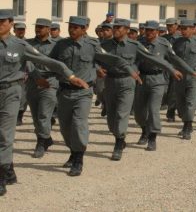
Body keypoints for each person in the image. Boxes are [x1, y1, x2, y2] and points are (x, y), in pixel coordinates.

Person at [0, 9, 87, 196]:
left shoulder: (19, 45)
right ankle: (9, 169)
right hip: (23, 87)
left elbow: (49, 61)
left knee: (5, 134)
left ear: (10, 23)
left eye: (1, 22)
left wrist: (70, 76)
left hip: (11, 92)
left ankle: (2, 176)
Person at [49, 16, 142, 176]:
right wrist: (38, 76)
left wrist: (130, 71)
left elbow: (112, 59)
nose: (72, 29)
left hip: (84, 93)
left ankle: (79, 159)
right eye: (71, 26)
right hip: (64, 91)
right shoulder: (60, 45)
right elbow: (50, 63)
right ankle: (73, 152)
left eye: (76, 27)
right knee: (65, 128)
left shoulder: (93, 45)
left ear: (84, 29)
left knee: (79, 124)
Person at [100, 18, 183, 160]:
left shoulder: (157, 44)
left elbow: (159, 59)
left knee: (151, 110)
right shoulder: (113, 44)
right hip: (135, 80)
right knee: (134, 114)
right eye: (115, 27)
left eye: (119, 27)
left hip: (153, 80)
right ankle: (143, 130)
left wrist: (172, 69)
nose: (116, 30)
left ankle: (150, 137)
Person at [134, 20, 196, 150]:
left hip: (158, 80)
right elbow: (133, 60)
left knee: (154, 109)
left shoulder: (164, 44)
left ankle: (152, 137)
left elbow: (175, 59)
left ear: (157, 32)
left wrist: (192, 72)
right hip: (141, 79)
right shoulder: (139, 43)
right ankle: (144, 130)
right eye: (147, 30)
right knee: (139, 112)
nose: (148, 33)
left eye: (151, 30)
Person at [25, 18, 60, 158]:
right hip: (33, 82)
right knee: (35, 115)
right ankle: (47, 138)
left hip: (50, 82)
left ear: (48, 29)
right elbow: (26, 61)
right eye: (37, 26)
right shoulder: (28, 43)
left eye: (41, 27)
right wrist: (35, 77)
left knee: (44, 115)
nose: (38, 29)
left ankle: (41, 143)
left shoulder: (57, 45)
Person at [163, 18, 181, 122]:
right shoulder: (163, 38)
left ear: (176, 26)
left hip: (176, 67)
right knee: (164, 89)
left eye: (171, 25)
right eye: (167, 25)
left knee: (173, 90)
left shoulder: (180, 38)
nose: (168, 27)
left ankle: (171, 111)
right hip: (165, 67)